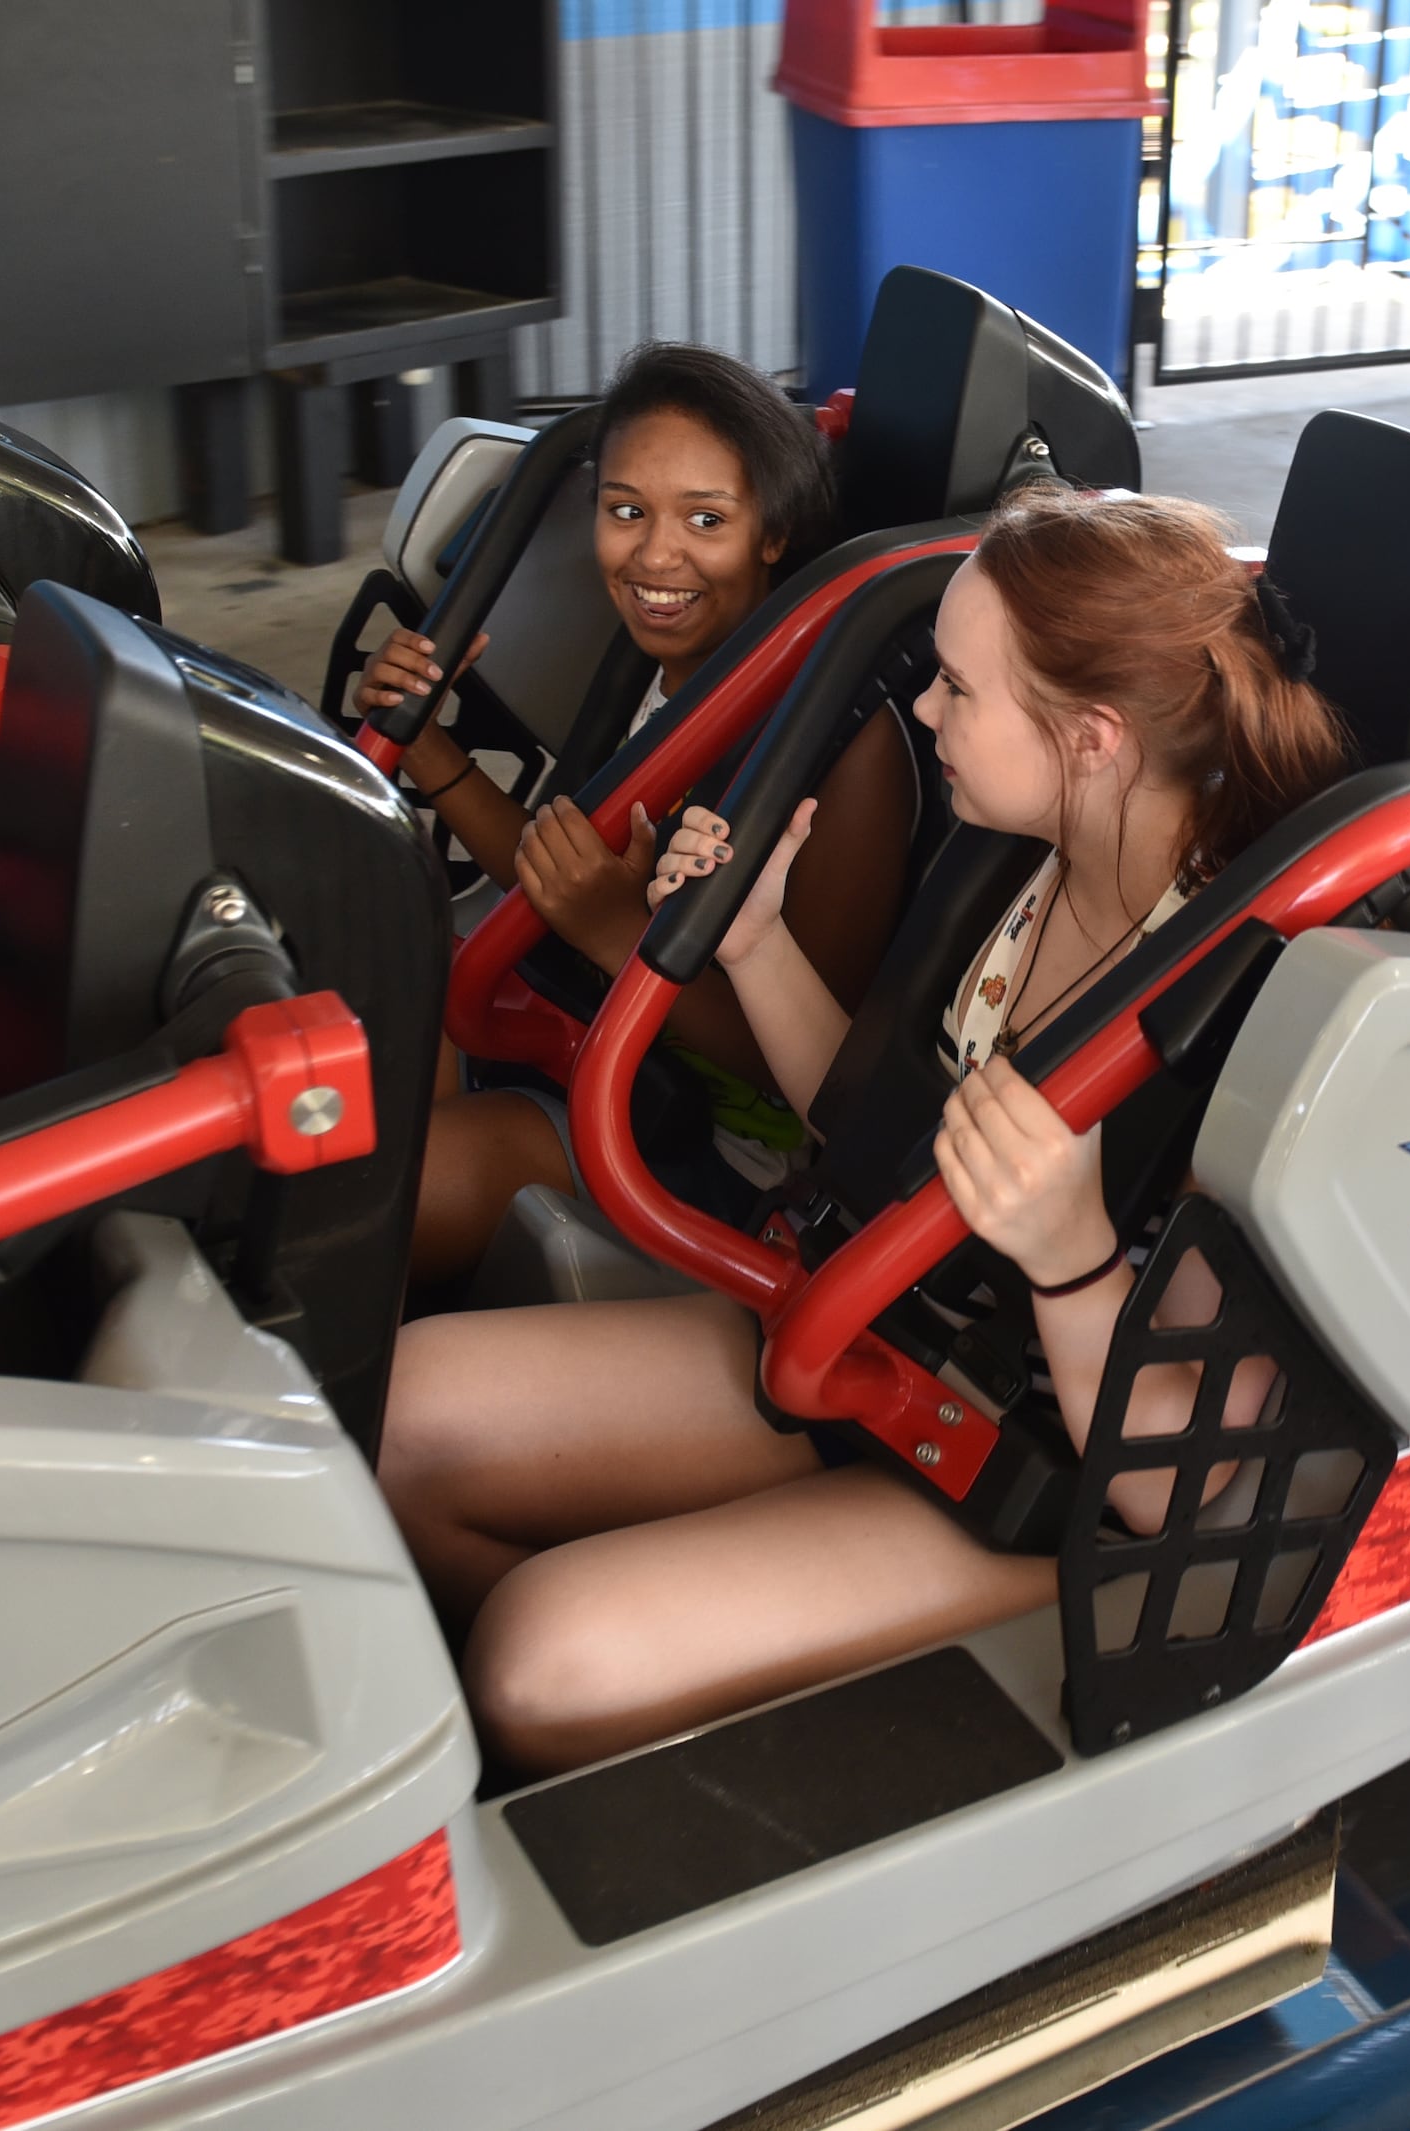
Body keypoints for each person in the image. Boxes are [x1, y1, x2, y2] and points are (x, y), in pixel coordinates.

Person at [374, 488, 1357, 1778]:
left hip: (1035, 1481)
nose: (930, 713)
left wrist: (1073, 1265)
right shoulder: (1023, 851)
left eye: (956, 689)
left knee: (542, 1662)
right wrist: (759, 944)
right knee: (400, 1432)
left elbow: (1176, 1495)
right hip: (878, 1345)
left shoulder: (1266, 1003)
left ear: (1094, 736)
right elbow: (877, 1123)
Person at [355, 344, 916, 1284]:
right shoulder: (657, 671)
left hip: (704, 1145)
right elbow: (560, 873)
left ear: (773, 532)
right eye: (627, 512)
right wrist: (428, 746)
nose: (656, 556)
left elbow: (810, 1078)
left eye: (706, 518)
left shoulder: (841, 746)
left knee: (337, 1207)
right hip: (576, 1032)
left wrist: (616, 931)